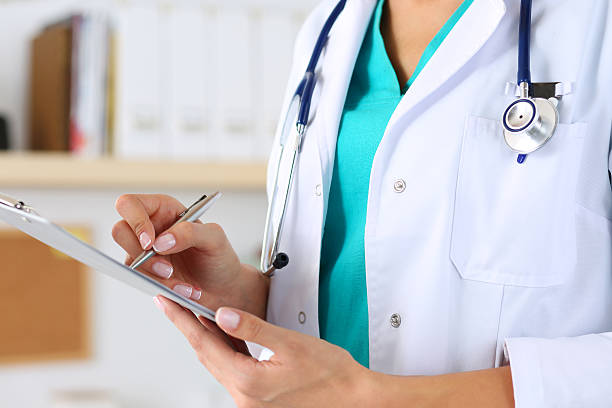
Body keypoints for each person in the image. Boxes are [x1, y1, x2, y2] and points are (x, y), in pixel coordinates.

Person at [112, 0, 612, 406]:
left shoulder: (594, 24)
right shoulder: (325, 31)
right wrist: (245, 296)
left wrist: (376, 397)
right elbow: (344, 291)